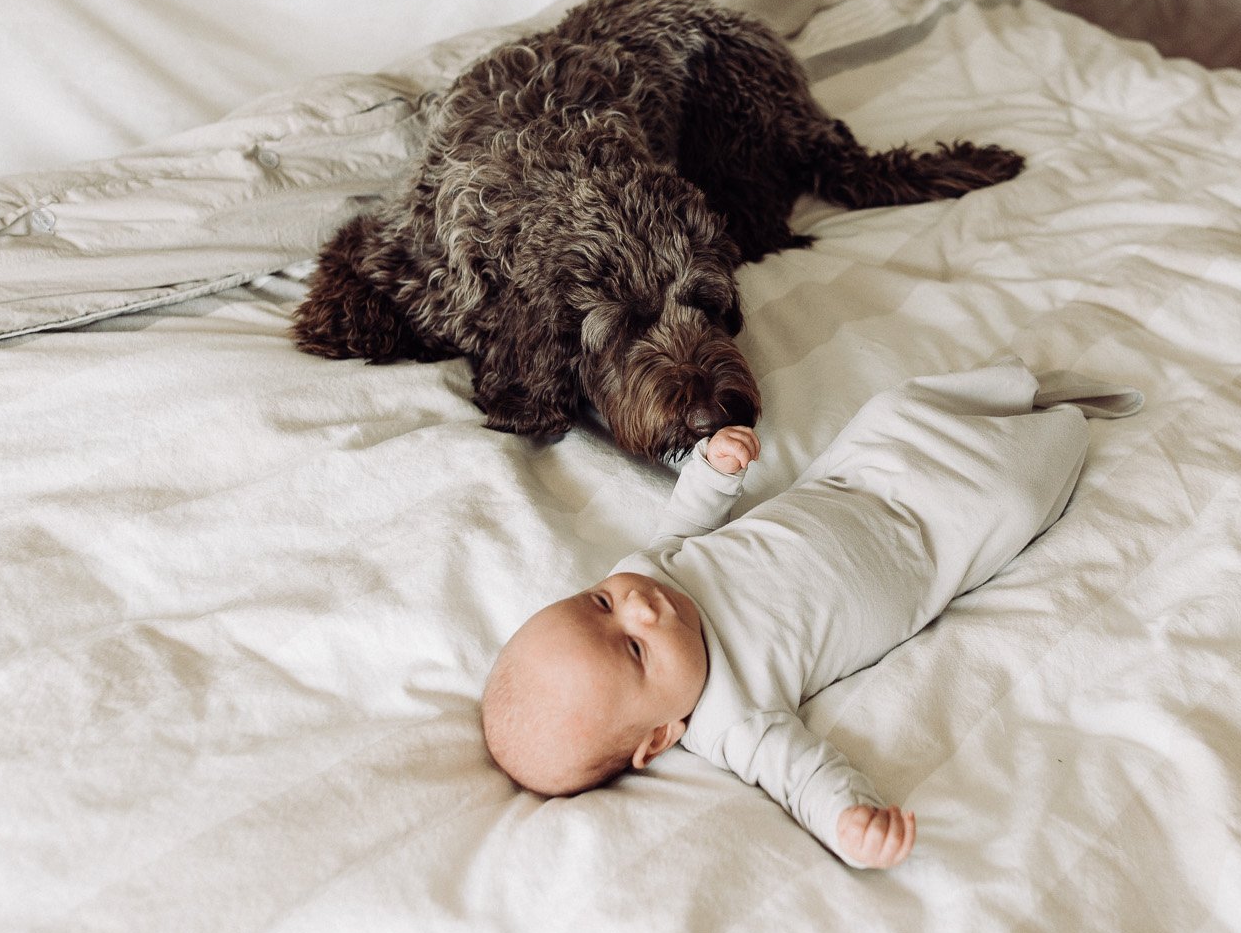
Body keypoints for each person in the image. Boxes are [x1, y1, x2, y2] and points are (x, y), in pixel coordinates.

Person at [480, 357, 1142, 868]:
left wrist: (715, 469)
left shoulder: (646, 574)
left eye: (599, 601)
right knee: (1013, 496)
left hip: (854, 479)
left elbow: (685, 521)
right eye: (632, 649)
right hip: (929, 544)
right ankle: (1064, 423)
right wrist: (849, 822)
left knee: (895, 406)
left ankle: (1019, 389)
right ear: (660, 736)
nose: (640, 609)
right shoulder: (732, 718)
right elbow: (801, 775)